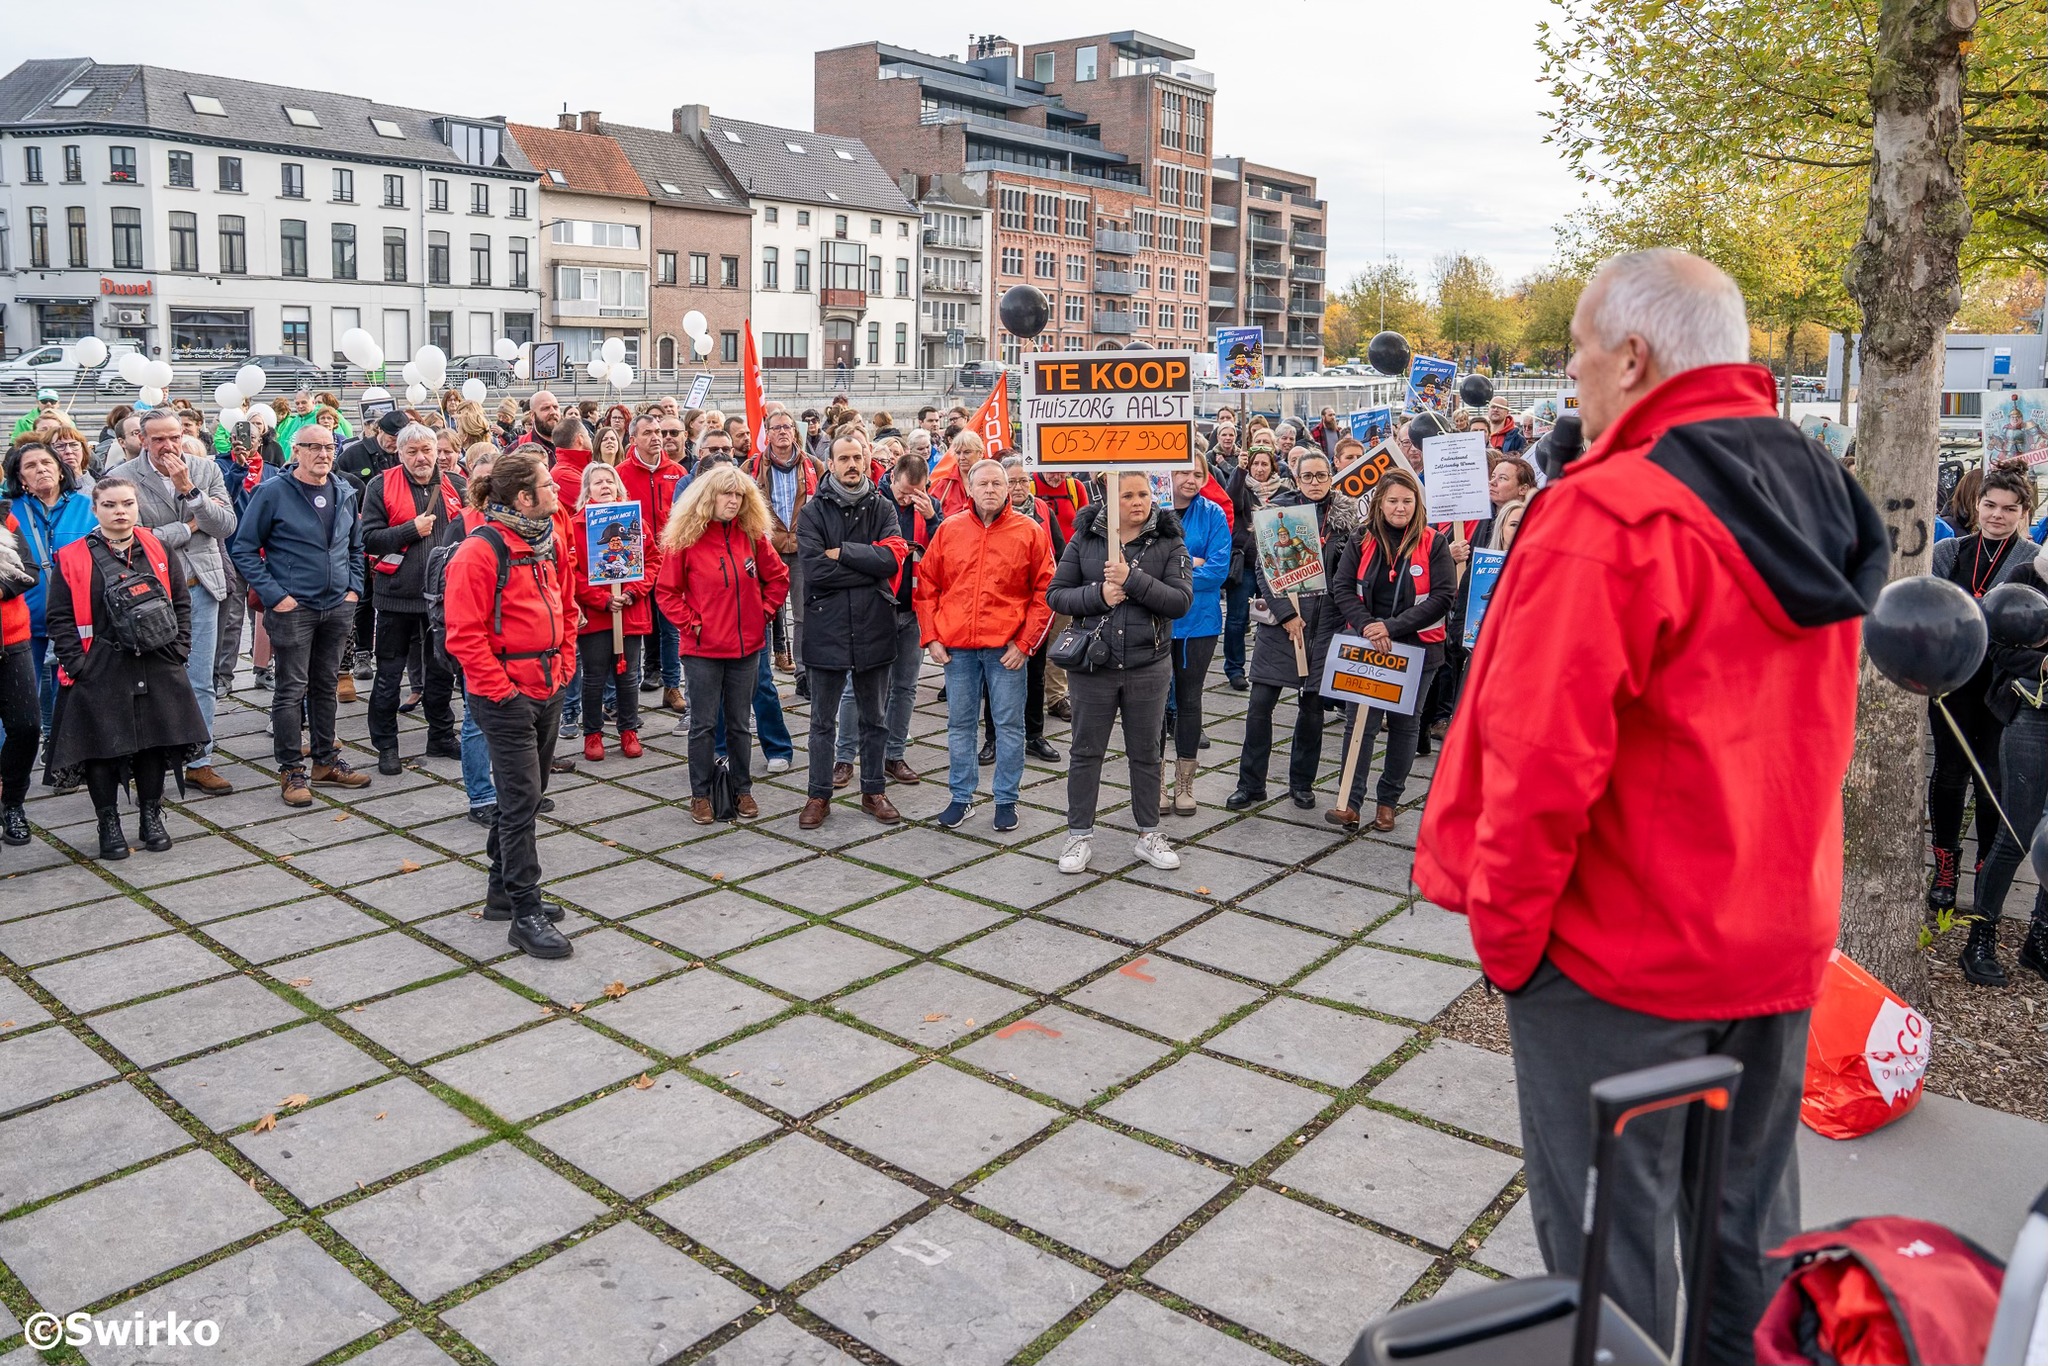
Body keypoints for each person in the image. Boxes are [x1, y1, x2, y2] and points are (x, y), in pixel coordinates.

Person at [1416, 248, 1889, 1363]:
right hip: (1772, 938)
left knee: (1605, 1264)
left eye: (1576, 353)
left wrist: (1508, 940)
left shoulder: (1612, 514)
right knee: (1747, 1240)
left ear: (1631, 357)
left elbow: (1538, 764)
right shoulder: (1815, 492)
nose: (1568, 378)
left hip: (1619, 954)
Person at [443, 449, 578, 959]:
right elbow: (464, 636)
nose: (558, 490)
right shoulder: (479, 552)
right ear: (524, 497)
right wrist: (503, 692)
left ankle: (502, 890)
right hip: (506, 697)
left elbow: (565, 606)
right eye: (548, 485)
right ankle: (525, 910)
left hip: (548, 685)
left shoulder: (549, 539)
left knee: (530, 791)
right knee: (523, 803)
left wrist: (563, 666)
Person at [44, 478, 212, 859]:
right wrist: (78, 664)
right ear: (95, 509)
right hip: (99, 664)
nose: (120, 511)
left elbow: (180, 602)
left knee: (153, 746)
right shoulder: (72, 556)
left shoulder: (159, 546)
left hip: (156, 661)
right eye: (110, 505)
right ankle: (109, 823)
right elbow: (59, 617)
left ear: (137, 507)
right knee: (101, 750)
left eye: (127, 504)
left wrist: (180, 649)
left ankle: (151, 816)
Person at [1048, 471, 1194, 873]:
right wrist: (1098, 594)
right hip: (1093, 667)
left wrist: (1134, 579)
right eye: (1127, 494)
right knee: (1085, 752)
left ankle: (1149, 833)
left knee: (1147, 753)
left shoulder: (1170, 541)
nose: (1137, 502)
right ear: (1110, 501)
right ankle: (1078, 835)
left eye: (1143, 494)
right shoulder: (1086, 539)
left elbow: (1180, 602)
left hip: (1148, 666)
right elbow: (1056, 593)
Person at [1927, 464, 2037, 974]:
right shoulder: (1949, 553)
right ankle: (1945, 864)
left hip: (2004, 687)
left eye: (2009, 509)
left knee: (1993, 780)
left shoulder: (2032, 561)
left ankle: (1982, 869)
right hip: (1952, 684)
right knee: (1949, 774)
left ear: (2024, 514)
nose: (1997, 516)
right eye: (1990, 506)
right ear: (1977, 505)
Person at [229, 420, 372, 808]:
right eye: (313, 447)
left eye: (329, 447)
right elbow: (243, 548)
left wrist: (353, 590)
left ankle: (326, 760)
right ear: (297, 451)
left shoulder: (344, 491)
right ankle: (292, 768)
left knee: (325, 684)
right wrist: (276, 595)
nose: (323, 454)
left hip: (337, 606)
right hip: (293, 608)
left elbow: (355, 547)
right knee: (291, 689)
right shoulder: (273, 492)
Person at [914, 458, 1053, 831]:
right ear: (970, 489)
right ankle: (961, 797)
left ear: (1009, 489)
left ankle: (1006, 799)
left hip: (1005, 648)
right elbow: (926, 586)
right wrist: (931, 636)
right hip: (956, 648)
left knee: (1010, 726)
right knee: (960, 725)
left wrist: (1025, 644)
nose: (990, 490)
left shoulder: (1029, 532)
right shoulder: (949, 530)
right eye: (983, 484)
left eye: (997, 483)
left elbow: (1046, 592)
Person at [103, 410, 237, 795]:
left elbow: (225, 526)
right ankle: (149, 758)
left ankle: (200, 760)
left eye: (174, 437)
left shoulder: (204, 469)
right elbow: (134, 538)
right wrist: (190, 527)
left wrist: (191, 492)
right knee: (150, 679)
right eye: (158, 439)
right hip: (151, 595)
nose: (168, 446)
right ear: (142, 440)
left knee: (200, 680)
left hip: (201, 586)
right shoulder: (124, 478)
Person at [656, 465, 788, 826]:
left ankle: (742, 788)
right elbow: (666, 592)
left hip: (746, 648)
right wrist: (693, 624)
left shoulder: (752, 534)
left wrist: (762, 612)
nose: (733, 501)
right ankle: (700, 794)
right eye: (726, 494)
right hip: (702, 650)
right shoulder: (685, 538)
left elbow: (778, 577)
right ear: (707, 497)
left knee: (740, 724)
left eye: (739, 495)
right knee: (702, 724)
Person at [1324, 468, 1455, 831]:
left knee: (1404, 724)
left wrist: (1392, 627)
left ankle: (1388, 802)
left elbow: (1444, 595)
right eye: (1393, 500)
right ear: (1380, 503)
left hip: (1417, 648)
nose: (1400, 508)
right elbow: (1343, 587)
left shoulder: (1435, 542)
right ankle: (1349, 802)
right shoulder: (1360, 539)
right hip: (1365, 645)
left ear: (1418, 504)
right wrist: (1369, 625)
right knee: (1359, 723)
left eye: (1408, 501)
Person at [1227, 449, 1356, 810]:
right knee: (1259, 706)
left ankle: (1302, 783)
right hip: (1283, 626)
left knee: (1312, 711)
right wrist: (1286, 615)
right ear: (1296, 478)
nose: (1315, 482)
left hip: (1325, 626)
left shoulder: (1346, 518)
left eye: (1321, 475)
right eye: (1307, 476)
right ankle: (1251, 784)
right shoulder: (1276, 513)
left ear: (1331, 477)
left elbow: (1350, 573)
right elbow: (1267, 573)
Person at [797, 435, 908, 829]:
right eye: (843, 458)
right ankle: (818, 795)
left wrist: (842, 551)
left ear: (866, 460)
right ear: (830, 463)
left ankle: (873, 790)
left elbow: (892, 560)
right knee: (822, 721)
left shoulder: (882, 507)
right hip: (825, 626)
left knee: (875, 718)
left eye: (858, 457)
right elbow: (814, 569)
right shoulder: (811, 512)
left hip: (874, 624)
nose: (852, 464)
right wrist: (867, 564)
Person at [1965, 534, 2048, 988]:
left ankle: (2039, 936)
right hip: (2032, 716)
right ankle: (1981, 935)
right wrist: (2042, 665)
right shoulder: (2026, 575)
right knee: (2015, 834)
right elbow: (1995, 644)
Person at [359, 422, 466, 775]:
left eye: (427, 450)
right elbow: (368, 539)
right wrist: (409, 530)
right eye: (412, 451)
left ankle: (440, 735)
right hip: (395, 598)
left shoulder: (457, 485)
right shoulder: (380, 485)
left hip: (443, 599)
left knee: (440, 673)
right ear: (399, 453)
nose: (421, 458)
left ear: (438, 451)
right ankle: (386, 745)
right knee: (389, 675)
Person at [5, 442, 94, 737]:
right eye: (30, 466)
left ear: (60, 470)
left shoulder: (88, 506)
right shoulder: (8, 513)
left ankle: (61, 756)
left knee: (71, 693)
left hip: (77, 617)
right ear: (20, 479)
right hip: (26, 621)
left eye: (46, 462)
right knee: (20, 698)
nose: (40, 469)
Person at [569, 462, 655, 762]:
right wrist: (601, 599)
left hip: (630, 611)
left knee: (629, 674)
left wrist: (633, 592)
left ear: (618, 486)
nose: (604, 486)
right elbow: (573, 571)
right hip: (596, 615)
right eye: (597, 482)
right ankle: (592, 733)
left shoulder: (635, 522)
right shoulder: (577, 525)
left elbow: (653, 560)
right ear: (587, 490)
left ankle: (628, 730)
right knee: (594, 676)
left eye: (609, 481)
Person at [1164, 454, 1232, 815]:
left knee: (1190, 700)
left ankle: (1185, 783)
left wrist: (1170, 575)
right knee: (1155, 703)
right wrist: (1193, 564)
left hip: (1200, 623)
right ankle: (1156, 780)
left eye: (1198, 473)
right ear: (1169, 474)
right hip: (1157, 621)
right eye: (1183, 472)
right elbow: (1141, 564)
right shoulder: (1154, 509)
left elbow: (1219, 570)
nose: (1191, 479)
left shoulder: (1213, 514)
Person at [619, 413, 688, 713]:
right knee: (633, 632)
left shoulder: (676, 472)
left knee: (671, 628)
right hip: (634, 565)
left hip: (669, 562)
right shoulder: (620, 474)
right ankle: (624, 695)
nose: (656, 437)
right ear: (634, 438)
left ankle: (672, 687)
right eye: (648, 432)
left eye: (658, 431)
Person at [213, 420, 281, 698]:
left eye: (251, 437)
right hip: (232, 552)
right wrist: (239, 469)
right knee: (231, 618)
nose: (244, 441)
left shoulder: (274, 472)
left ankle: (263, 669)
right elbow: (223, 499)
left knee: (267, 619)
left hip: (267, 555)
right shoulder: (219, 468)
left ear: (260, 440)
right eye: (239, 436)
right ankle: (223, 675)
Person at [0, 501, 38, 845]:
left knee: (27, 727)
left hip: (12, 639)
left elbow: (29, 569)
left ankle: (12, 803)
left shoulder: (4, 516)